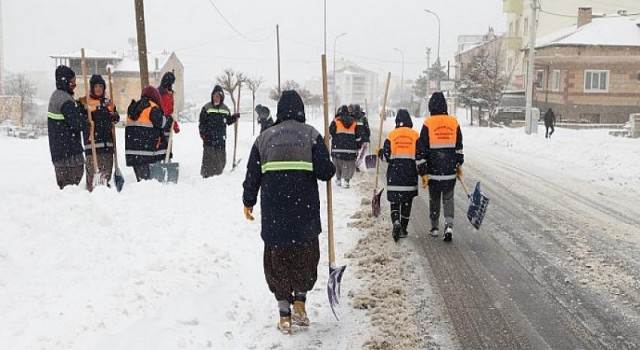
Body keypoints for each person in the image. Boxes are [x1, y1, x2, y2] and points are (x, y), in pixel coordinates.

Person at [242, 90, 336, 334]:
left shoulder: (264, 138)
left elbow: (252, 175)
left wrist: (248, 200)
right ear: (301, 110)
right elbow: (326, 172)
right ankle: (300, 303)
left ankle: (284, 312)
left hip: (275, 216)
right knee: (305, 258)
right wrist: (326, 152)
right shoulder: (311, 135)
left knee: (278, 262)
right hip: (304, 215)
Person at [418, 92, 464, 242]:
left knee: (434, 199)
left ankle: (434, 227)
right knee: (449, 198)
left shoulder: (428, 123)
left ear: (431, 106)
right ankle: (449, 225)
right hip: (449, 170)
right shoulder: (454, 122)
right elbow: (458, 147)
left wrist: (423, 172)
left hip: (434, 171)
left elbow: (421, 149)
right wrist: (459, 164)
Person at [378, 109, 427, 241]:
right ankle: (403, 229)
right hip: (409, 177)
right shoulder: (415, 136)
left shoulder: (391, 136)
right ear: (409, 121)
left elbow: (386, 157)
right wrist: (423, 174)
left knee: (394, 202)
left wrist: (380, 152)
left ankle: (396, 222)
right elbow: (420, 158)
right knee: (406, 202)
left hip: (394, 176)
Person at [47, 65, 88, 189]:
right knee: (70, 185)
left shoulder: (57, 96)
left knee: (66, 188)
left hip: (60, 152)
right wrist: (87, 122)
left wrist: (79, 107)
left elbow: (69, 117)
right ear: (66, 81)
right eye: (73, 81)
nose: (74, 84)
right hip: (68, 153)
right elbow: (77, 123)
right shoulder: (64, 100)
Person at [79, 74, 120, 191]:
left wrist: (113, 116)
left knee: (105, 178)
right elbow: (81, 121)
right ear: (92, 87)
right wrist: (96, 115)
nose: (98, 89)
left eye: (101, 86)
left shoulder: (109, 102)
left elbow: (115, 117)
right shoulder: (84, 102)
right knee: (93, 180)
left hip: (108, 147)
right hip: (93, 148)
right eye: (96, 86)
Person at [124, 85, 172, 181]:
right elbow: (162, 123)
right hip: (147, 153)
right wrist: (169, 119)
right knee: (148, 185)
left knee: (142, 182)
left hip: (133, 154)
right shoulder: (152, 108)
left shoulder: (134, 107)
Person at [198, 85, 240, 178]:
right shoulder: (206, 108)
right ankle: (206, 175)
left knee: (220, 159)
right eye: (214, 96)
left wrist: (234, 118)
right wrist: (203, 134)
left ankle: (218, 175)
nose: (216, 98)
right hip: (209, 138)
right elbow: (202, 123)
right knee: (208, 159)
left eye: (218, 96)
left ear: (221, 97)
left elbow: (228, 121)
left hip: (221, 139)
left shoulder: (225, 109)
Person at [329, 105, 358, 188]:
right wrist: (357, 146)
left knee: (337, 165)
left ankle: (338, 179)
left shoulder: (335, 121)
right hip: (351, 150)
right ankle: (346, 180)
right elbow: (358, 136)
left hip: (337, 149)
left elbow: (331, 132)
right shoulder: (354, 122)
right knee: (348, 165)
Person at [157, 71, 180, 161]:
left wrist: (174, 124)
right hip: (161, 125)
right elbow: (167, 112)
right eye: (171, 83)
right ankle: (163, 165)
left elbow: (170, 113)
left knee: (165, 148)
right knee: (162, 148)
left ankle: (165, 164)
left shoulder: (167, 93)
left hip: (163, 124)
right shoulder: (163, 94)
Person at [353, 104, 371, 172]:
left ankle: (354, 164)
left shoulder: (352, 117)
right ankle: (357, 165)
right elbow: (367, 128)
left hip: (356, 138)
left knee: (356, 152)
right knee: (362, 153)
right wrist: (368, 136)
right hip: (364, 138)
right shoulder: (363, 118)